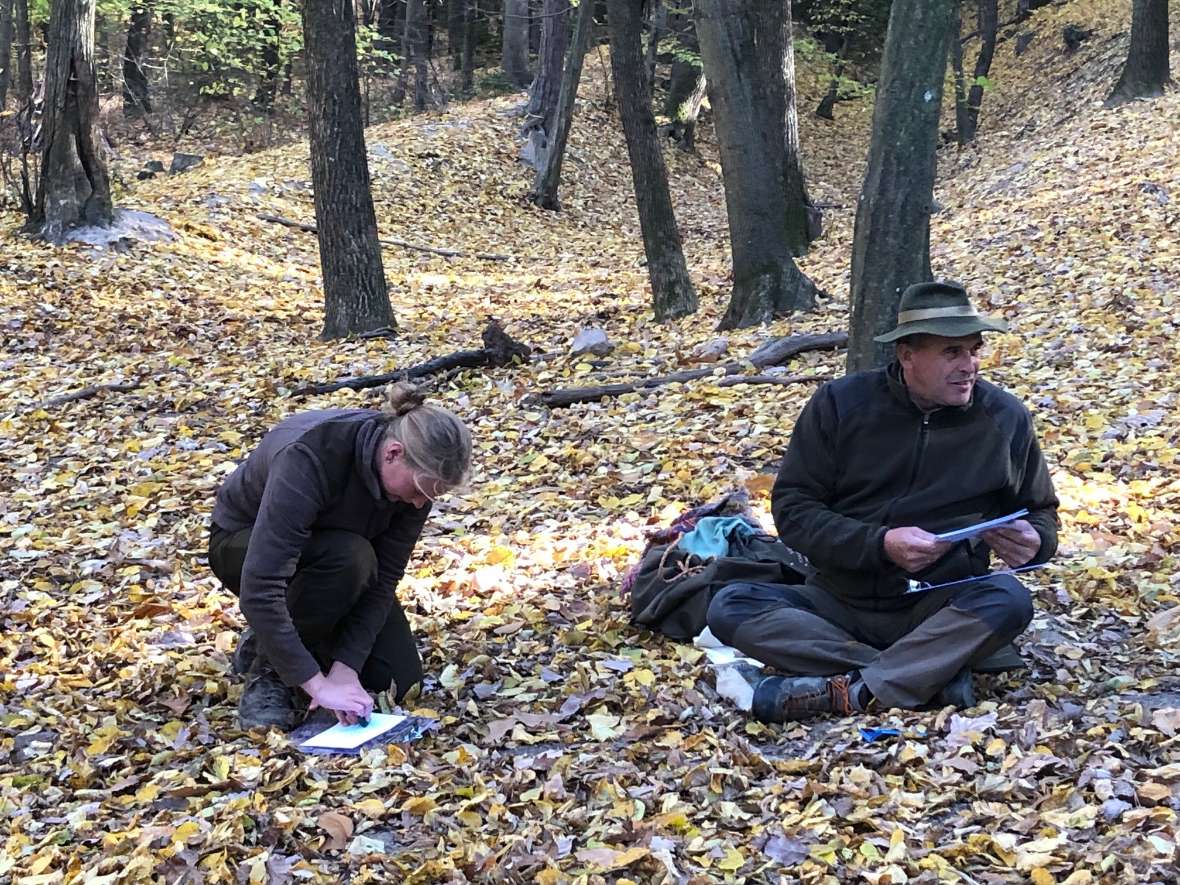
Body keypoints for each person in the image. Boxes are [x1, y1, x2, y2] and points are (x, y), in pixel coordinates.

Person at [706, 281, 1059, 722]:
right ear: (907, 354)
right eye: (952, 352)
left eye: (974, 350)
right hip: (837, 600)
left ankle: (853, 690)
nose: (969, 366)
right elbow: (794, 510)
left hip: (939, 604)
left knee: (1008, 599)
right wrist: (878, 544)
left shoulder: (1004, 417)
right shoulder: (840, 405)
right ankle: (924, 673)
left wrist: (1035, 542)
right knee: (730, 605)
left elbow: (1040, 512)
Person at [207, 382, 472, 730]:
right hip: (243, 548)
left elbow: (384, 580)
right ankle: (270, 673)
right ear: (392, 453)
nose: (421, 503)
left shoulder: (417, 487)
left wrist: (345, 670)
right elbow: (261, 585)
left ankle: (277, 633)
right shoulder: (308, 456)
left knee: (396, 679)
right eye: (421, 490)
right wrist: (316, 684)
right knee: (351, 557)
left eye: (432, 495)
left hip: (339, 567)